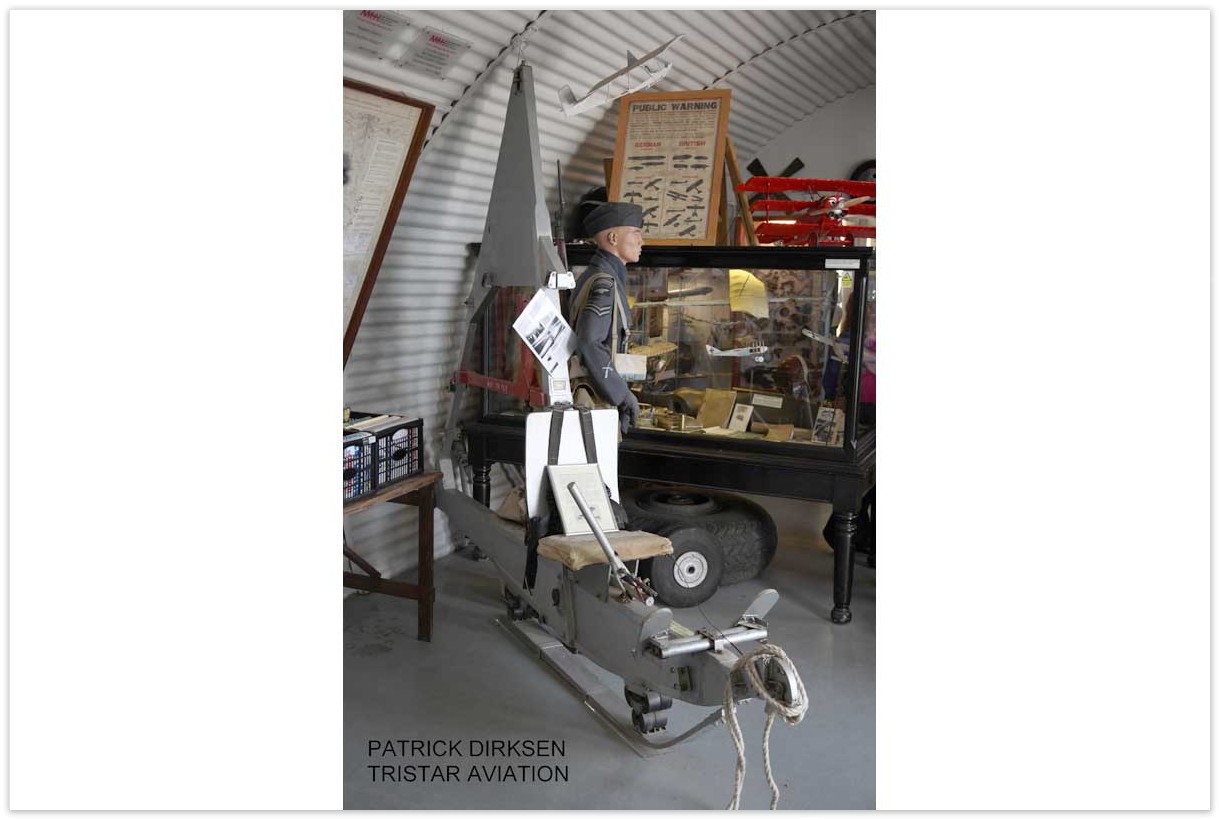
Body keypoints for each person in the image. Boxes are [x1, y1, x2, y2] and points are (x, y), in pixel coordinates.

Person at [568, 201, 644, 435]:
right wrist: (621, 393)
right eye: (636, 233)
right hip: (597, 400)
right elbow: (589, 342)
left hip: (601, 396)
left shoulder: (600, 276)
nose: (642, 241)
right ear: (613, 238)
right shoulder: (604, 283)